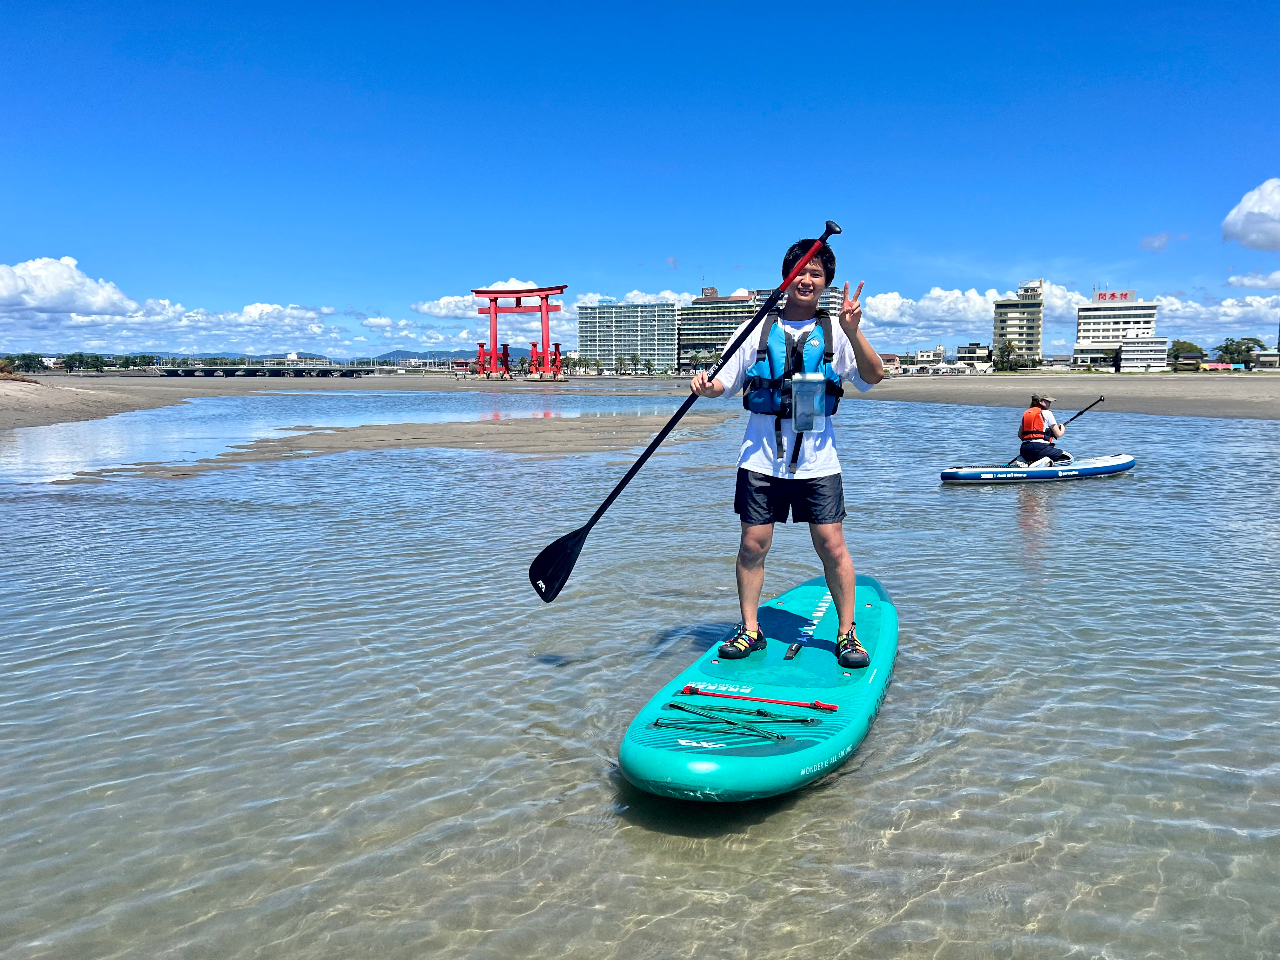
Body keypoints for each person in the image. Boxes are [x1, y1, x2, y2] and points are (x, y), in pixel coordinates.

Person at [690, 239, 884, 669]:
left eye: (816, 274)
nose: (807, 280)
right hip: (760, 460)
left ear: (826, 284)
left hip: (818, 463)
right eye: (800, 272)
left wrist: (854, 330)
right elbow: (725, 380)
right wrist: (707, 387)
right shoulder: (757, 328)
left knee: (832, 547)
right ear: (786, 279)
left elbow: (875, 376)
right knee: (752, 545)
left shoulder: (836, 332)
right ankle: (750, 630)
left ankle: (847, 634)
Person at [1018, 394, 1072, 465]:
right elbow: (1058, 434)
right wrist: (1063, 428)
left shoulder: (1027, 414)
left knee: (1034, 456)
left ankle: (1026, 462)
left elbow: (1020, 435)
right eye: (1047, 401)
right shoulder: (1047, 413)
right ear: (1040, 401)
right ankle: (1046, 462)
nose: (1049, 403)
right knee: (1069, 459)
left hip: (1024, 449)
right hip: (1040, 448)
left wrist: (1046, 434)